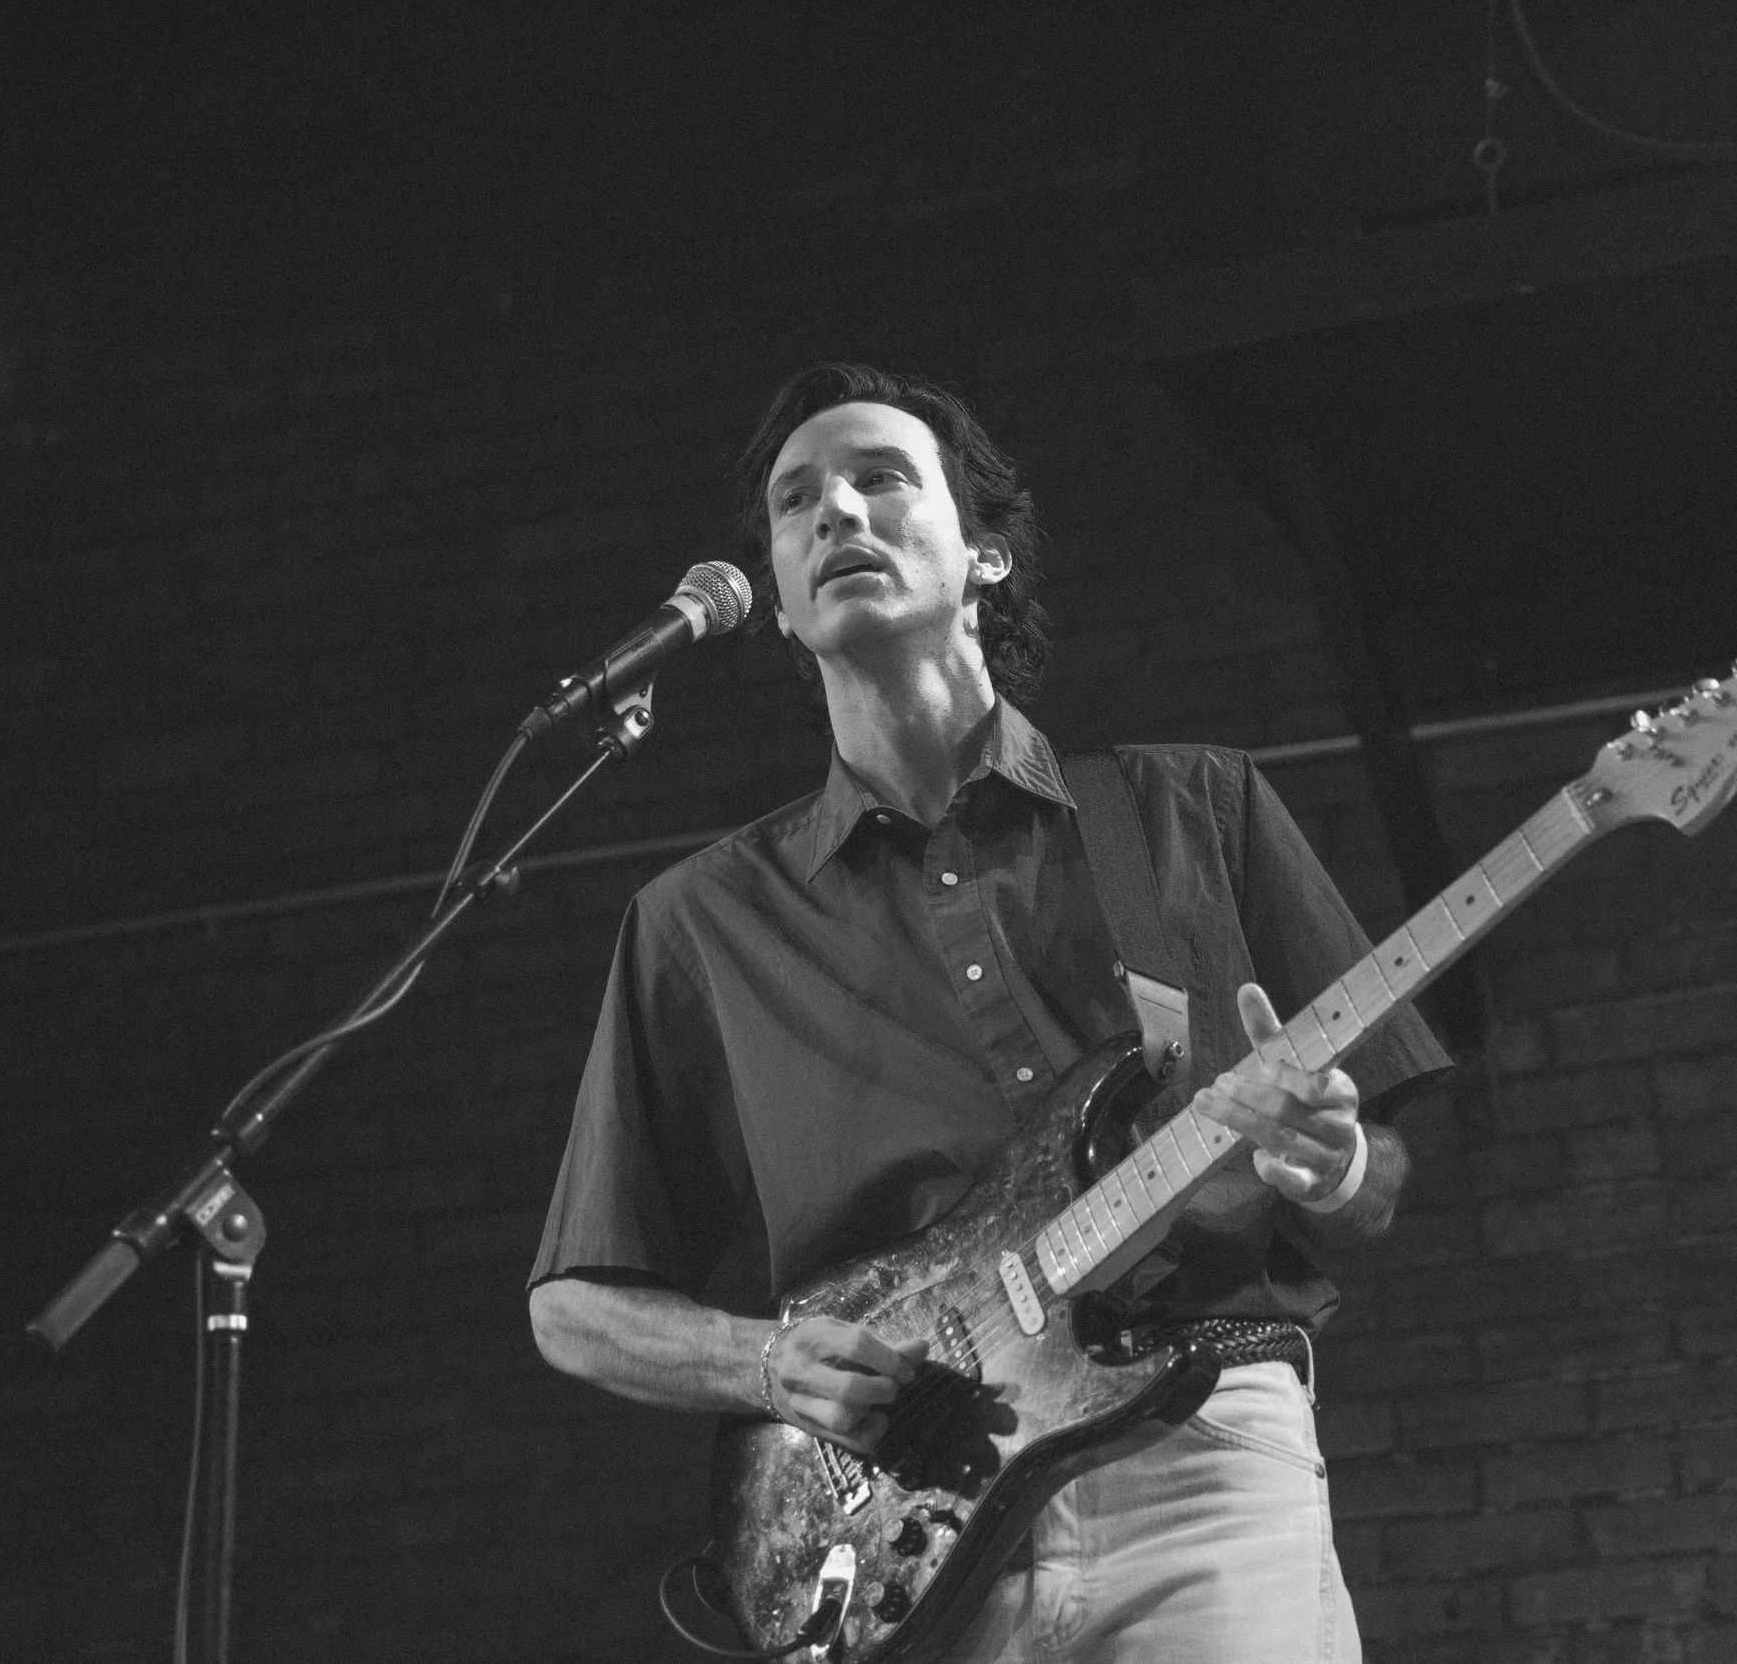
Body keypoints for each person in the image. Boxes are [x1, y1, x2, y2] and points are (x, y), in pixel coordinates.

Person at [527, 363, 1451, 1662]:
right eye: (798, 502)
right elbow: (572, 1305)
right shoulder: (703, 920)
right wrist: (765, 1365)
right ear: (779, 603)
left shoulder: (1193, 810)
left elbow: (1376, 1184)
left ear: (986, 557)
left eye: (882, 479)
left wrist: (1338, 1161)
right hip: (903, 1524)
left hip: (1197, 1459)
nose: (838, 511)